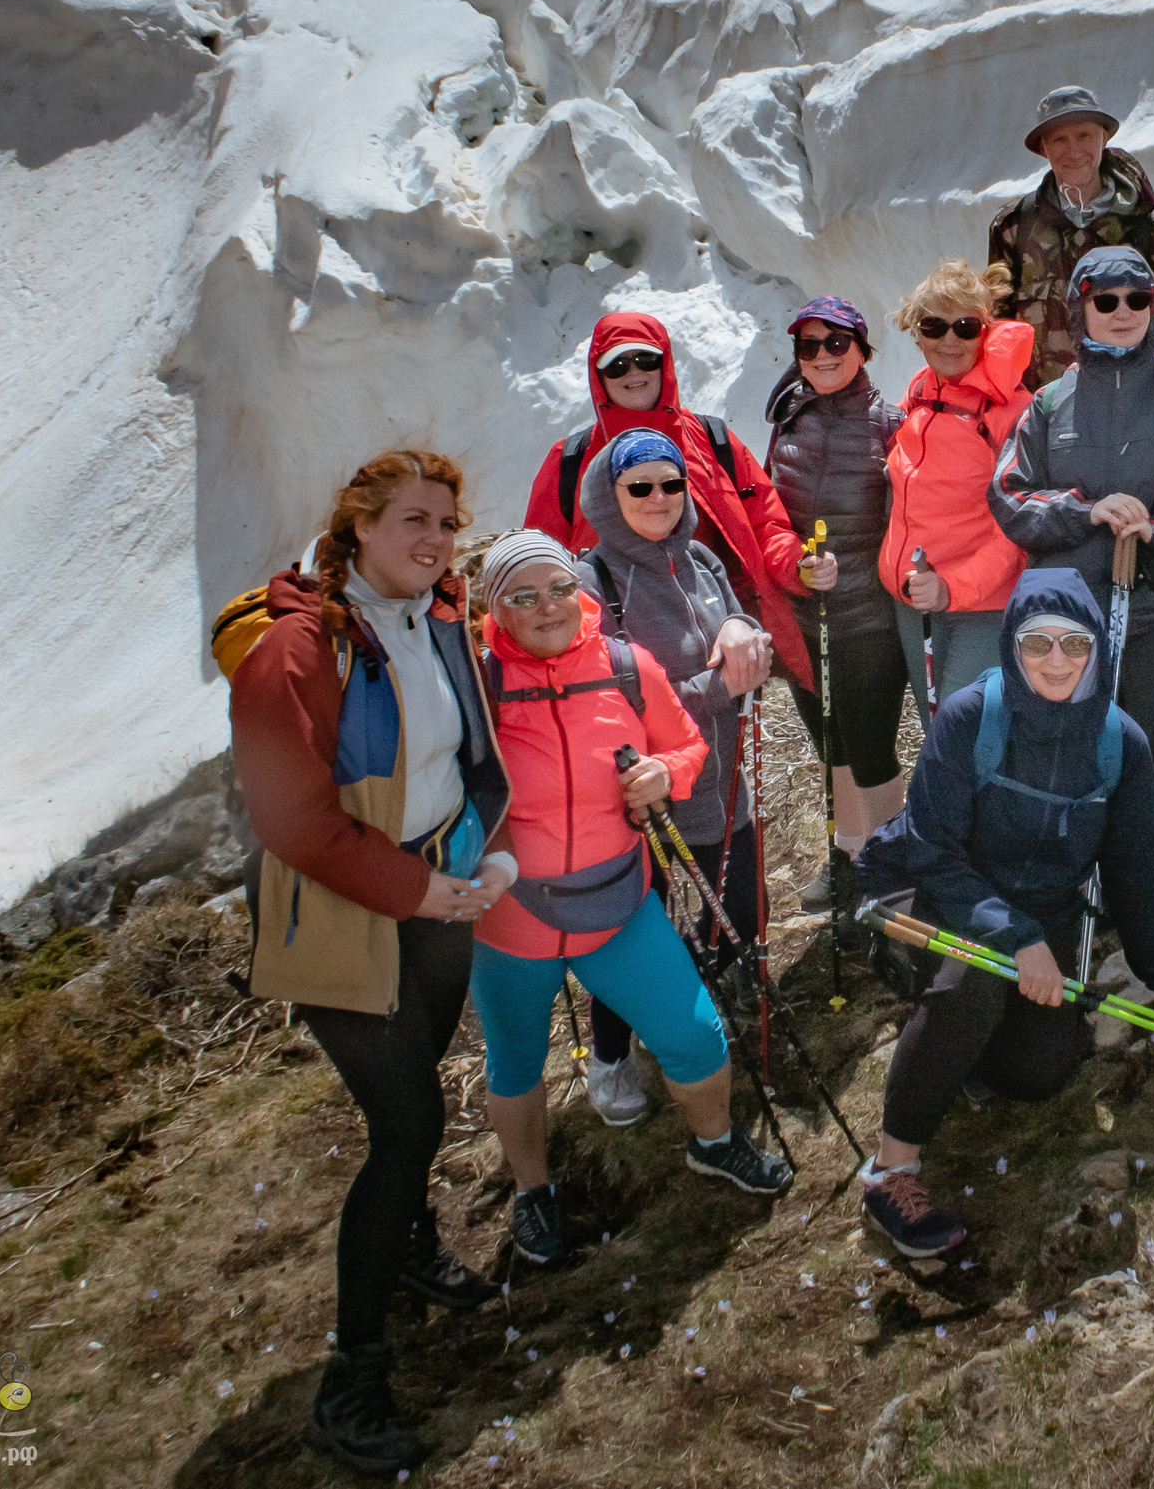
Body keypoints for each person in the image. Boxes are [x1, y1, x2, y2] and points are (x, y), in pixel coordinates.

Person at [226, 450, 511, 1476]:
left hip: (439, 886)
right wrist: (417, 890)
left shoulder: (435, 614)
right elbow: (291, 819)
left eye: (445, 521)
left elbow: (465, 753)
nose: (434, 539)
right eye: (412, 521)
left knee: (420, 1083)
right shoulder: (297, 650)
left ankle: (405, 1246)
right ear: (357, 528)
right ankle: (354, 1376)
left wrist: (480, 852)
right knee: (409, 1119)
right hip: (347, 911)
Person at [467, 531, 792, 1270]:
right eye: (524, 595)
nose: (548, 606)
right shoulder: (480, 686)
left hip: (618, 898)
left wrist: (662, 777)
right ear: (496, 607)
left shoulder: (622, 664)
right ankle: (534, 1191)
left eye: (558, 587)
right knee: (515, 1061)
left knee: (695, 1033)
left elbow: (686, 746)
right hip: (513, 914)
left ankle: (714, 1141)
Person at [852, 570, 1154, 1257]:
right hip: (934, 894)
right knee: (979, 976)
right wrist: (1017, 936)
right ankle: (891, 1168)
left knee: (1042, 1073)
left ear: (1097, 648)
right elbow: (930, 848)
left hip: (1042, 912)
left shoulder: (1120, 742)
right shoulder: (968, 718)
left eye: (1074, 643)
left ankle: (953, 1047)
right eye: (1037, 642)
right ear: (1011, 645)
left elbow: (1139, 867)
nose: (1056, 660)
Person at [989, 246, 1154, 958]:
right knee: (1075, 747)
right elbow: (1009, 495)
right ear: (1079, 306)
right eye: (1103, 299)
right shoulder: (1049, 402)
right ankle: (1089, 888)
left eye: (1136, 298)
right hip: (1070, 614)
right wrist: (1082, 511)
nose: (1120, 312)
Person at [572, 429, 779, 1117]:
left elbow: (732, 620)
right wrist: (720, 686)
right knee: (632, 935)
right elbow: (613, 704)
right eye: (640, 487)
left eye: (671, 484)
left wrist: (742, 630)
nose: (659, 498)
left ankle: (698, 1002)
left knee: (744, 905)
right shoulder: (590, 583)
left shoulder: (698, 558)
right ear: (610, 494)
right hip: (639, 800)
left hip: (720, 784)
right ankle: (610, 1058)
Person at [521, 311, 811, 690]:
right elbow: (539, 560)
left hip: (715, 626)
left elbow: (765, 521)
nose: (633, 373)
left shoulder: (712, 438)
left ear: (665, 364)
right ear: (598, 376)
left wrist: (796, 566)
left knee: (721, 740)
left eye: (646, 360)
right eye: (617, 366)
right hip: (618, 641)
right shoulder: (570, 459)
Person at [763, 296, 910, 907]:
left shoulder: (890, 424)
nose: (821, 356)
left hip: (868, 619)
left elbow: (908, 524)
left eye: (835, 343)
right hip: (803, 615)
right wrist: (794, 565)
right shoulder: (789, 417)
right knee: (832, 747)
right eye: (808, 345)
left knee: (870, 748)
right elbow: (770, 513)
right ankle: (850, 856)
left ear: (862, 349)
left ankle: (895, 870)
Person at [986, 85, 1154, 392]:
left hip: (1136, 412)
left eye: (1084, 135)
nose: (1074, 150)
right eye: (1059, 139)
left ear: (1104, 137)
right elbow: (997, 332)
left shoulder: (1153, 225)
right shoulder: (1014, 228)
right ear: (1043, 147)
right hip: (1047, 415)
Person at [880, 259, 1035, 706]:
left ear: (986, 330)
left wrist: (953, 587)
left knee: (961, 729)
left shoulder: (1009, 409)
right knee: (938, 735)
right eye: (934, 326)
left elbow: (1020, 526)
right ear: (917, 332)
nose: (949, 340)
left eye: (965, 327)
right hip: (913, 598)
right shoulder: (920, 391)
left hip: (981, 604)